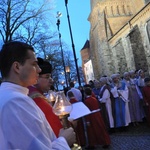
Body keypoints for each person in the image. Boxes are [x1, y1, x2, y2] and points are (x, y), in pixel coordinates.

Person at [0, 41, 76, 150]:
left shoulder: (9, 96)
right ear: (17, 67)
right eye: (34, 64)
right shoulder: (16, 101)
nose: (39, 69)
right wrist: (64, 140)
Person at [28, 57, 62, 137]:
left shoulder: (32, 93)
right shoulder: (37, 98)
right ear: (36, 77)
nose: (51, 80)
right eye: (47, 77)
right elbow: (56, 129)